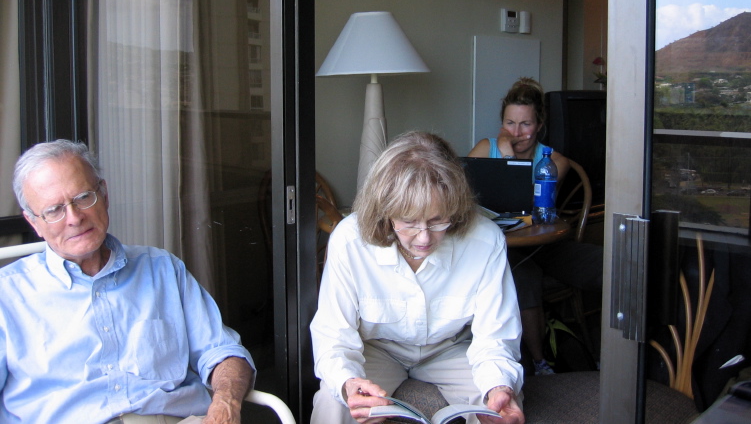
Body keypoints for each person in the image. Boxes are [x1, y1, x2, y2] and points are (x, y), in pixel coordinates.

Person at [1, 140, 255, 424]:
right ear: (34, 222)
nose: (74, 218)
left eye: (83, 197)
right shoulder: (7, 296)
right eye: (54, 210)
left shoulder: (163, 269)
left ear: (105, 195)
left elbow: (222, 352)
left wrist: (225, 403)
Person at [310, 131, 525, 424]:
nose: (424, 238)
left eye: (438, 220)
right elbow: (334, 335)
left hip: (451, 348)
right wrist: (348, 383)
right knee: (333, 402)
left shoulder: (485, 240)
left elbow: (495, 336)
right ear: (385, 212)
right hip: (376, 349)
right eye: (409, 222)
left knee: (499, 407)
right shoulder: (350, 240)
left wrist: (498, 385)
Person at [468, 77, 602, 377]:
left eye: (525, 124)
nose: (517, 132)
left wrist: (509, 156)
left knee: (605, 266)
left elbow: (527, 204)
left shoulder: (553, 160)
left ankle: (617, 350)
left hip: (543, 244)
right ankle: (541, 363)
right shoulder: (484, 148)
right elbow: (461, 196)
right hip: (498, 248)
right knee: (523, 276)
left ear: (539, 124)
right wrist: (502, 151)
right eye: (509, 123)